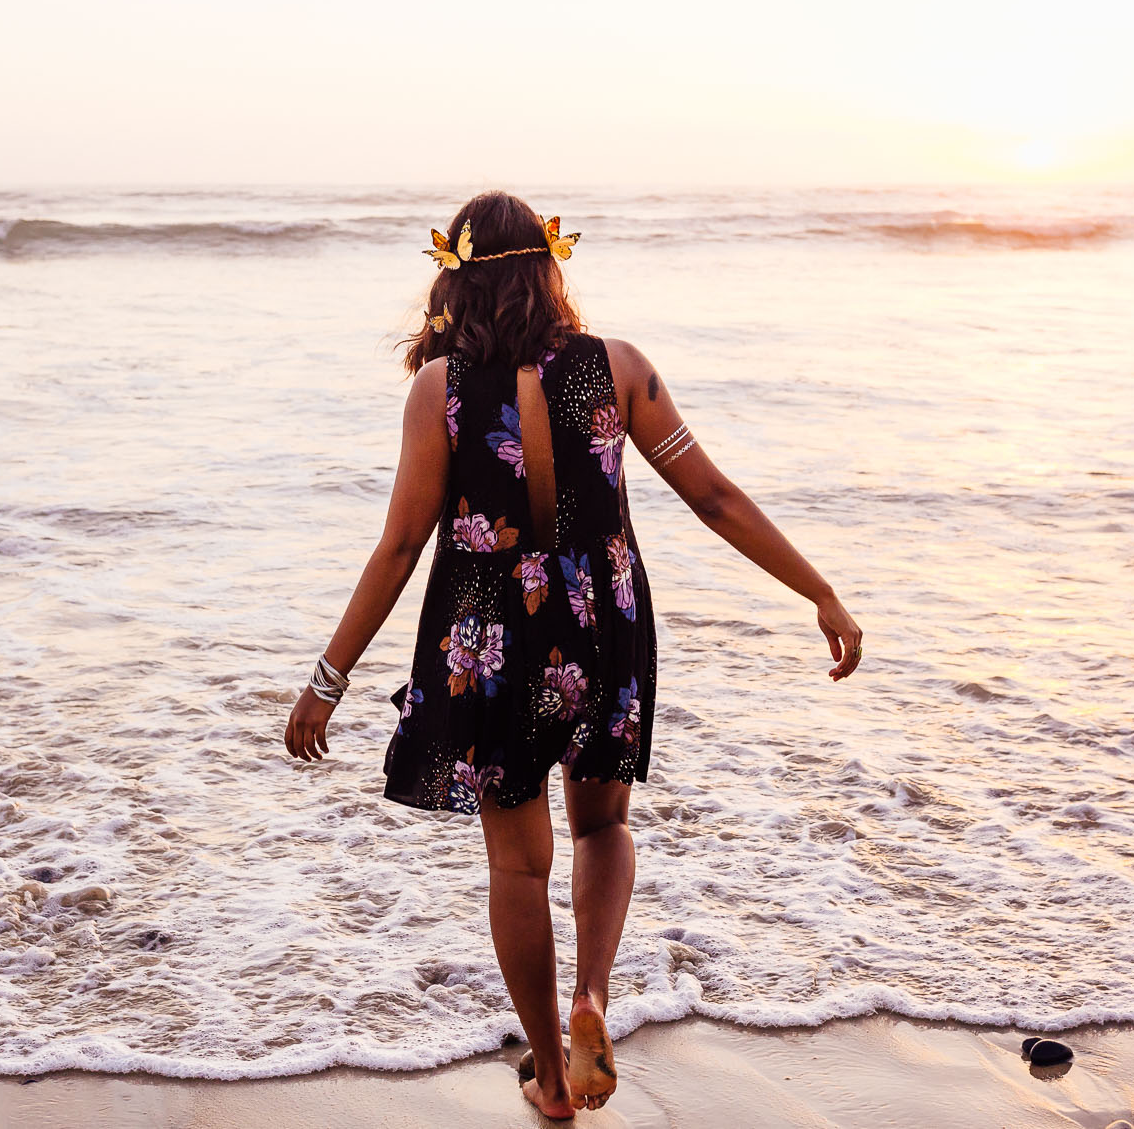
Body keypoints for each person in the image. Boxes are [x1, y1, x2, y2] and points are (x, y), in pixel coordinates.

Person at [283, 190, 863, 1119]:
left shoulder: (439, 391)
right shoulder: (621, 369)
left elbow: (400, 544)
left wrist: (328, 679)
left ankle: (552, 1076)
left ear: (455, 280)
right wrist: (819, 590)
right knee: (603, 828)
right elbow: (713, 496)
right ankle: (593, 995)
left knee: (519, 866)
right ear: (550, 266)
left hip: (491, 639)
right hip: (605, 625)